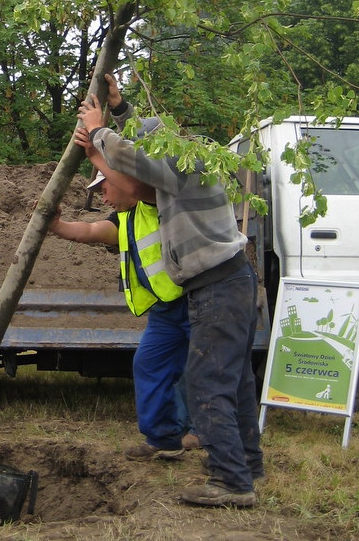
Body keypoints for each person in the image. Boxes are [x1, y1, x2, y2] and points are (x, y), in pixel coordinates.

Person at [74, 73, 263, 508]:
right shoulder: (188, 162)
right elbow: (145, 147)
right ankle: (247, 466)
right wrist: (120, 109)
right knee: (234, 383)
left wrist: (100, 130)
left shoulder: (183, 167)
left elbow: (135, 167)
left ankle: (231, 482)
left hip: (218, 285)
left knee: (207, 381)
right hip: (225, 281)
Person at [49, 161, 193, 462]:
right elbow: (89, 230)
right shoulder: (126, 220)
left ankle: (210, 437)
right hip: (166, 311)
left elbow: (138, 186)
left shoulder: (160, 201)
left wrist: (97, 149)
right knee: (149, 365)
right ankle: (165, 439)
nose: (103, 199)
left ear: (124, 181)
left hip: (198, 302)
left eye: (105, 189)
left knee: (202, 373)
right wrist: (57, 226)